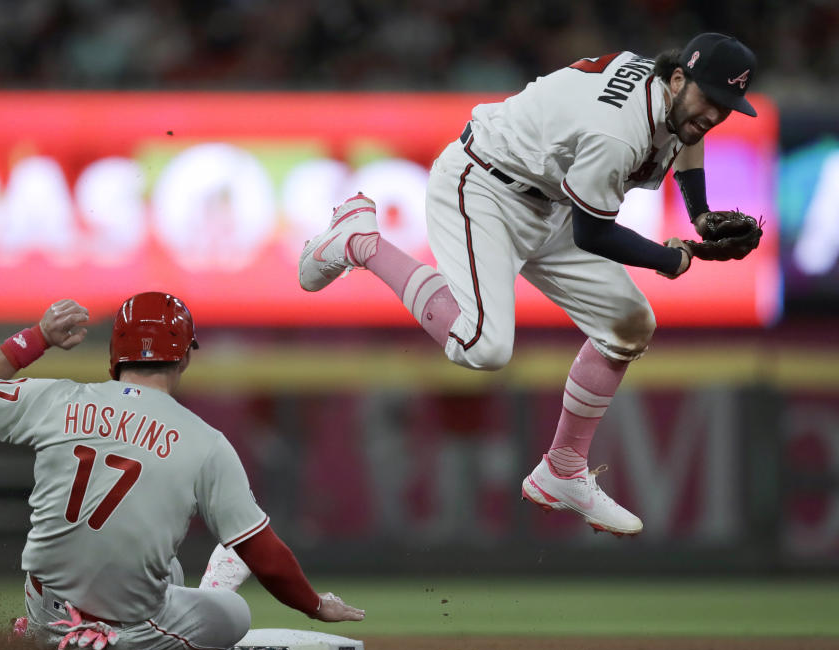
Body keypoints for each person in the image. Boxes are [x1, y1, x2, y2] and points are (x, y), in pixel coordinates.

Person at [298, 33, 760, 537]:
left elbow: (687, 136)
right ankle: (360, 242)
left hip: (550, 200)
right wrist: (675, 259)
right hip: (485, 186)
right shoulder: (619, 132)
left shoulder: (670, 95)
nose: (714, 115)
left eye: (726, 106)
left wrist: (700, 213)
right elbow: (594, 232)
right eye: (709, 99)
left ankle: (563, 468)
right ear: (677, 78)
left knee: (629, 325)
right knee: (483, 346)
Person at [0, 292, 363, 650]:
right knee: (234, 614)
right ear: (184, 356)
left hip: (43, 609)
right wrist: (314, 605)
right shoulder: (205, 441)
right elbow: (262, 553)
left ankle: (41, 633)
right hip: (128, 631)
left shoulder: (59, 398)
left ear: (114, 356)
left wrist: (38, 337)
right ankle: (206, 593)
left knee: (170, 572)